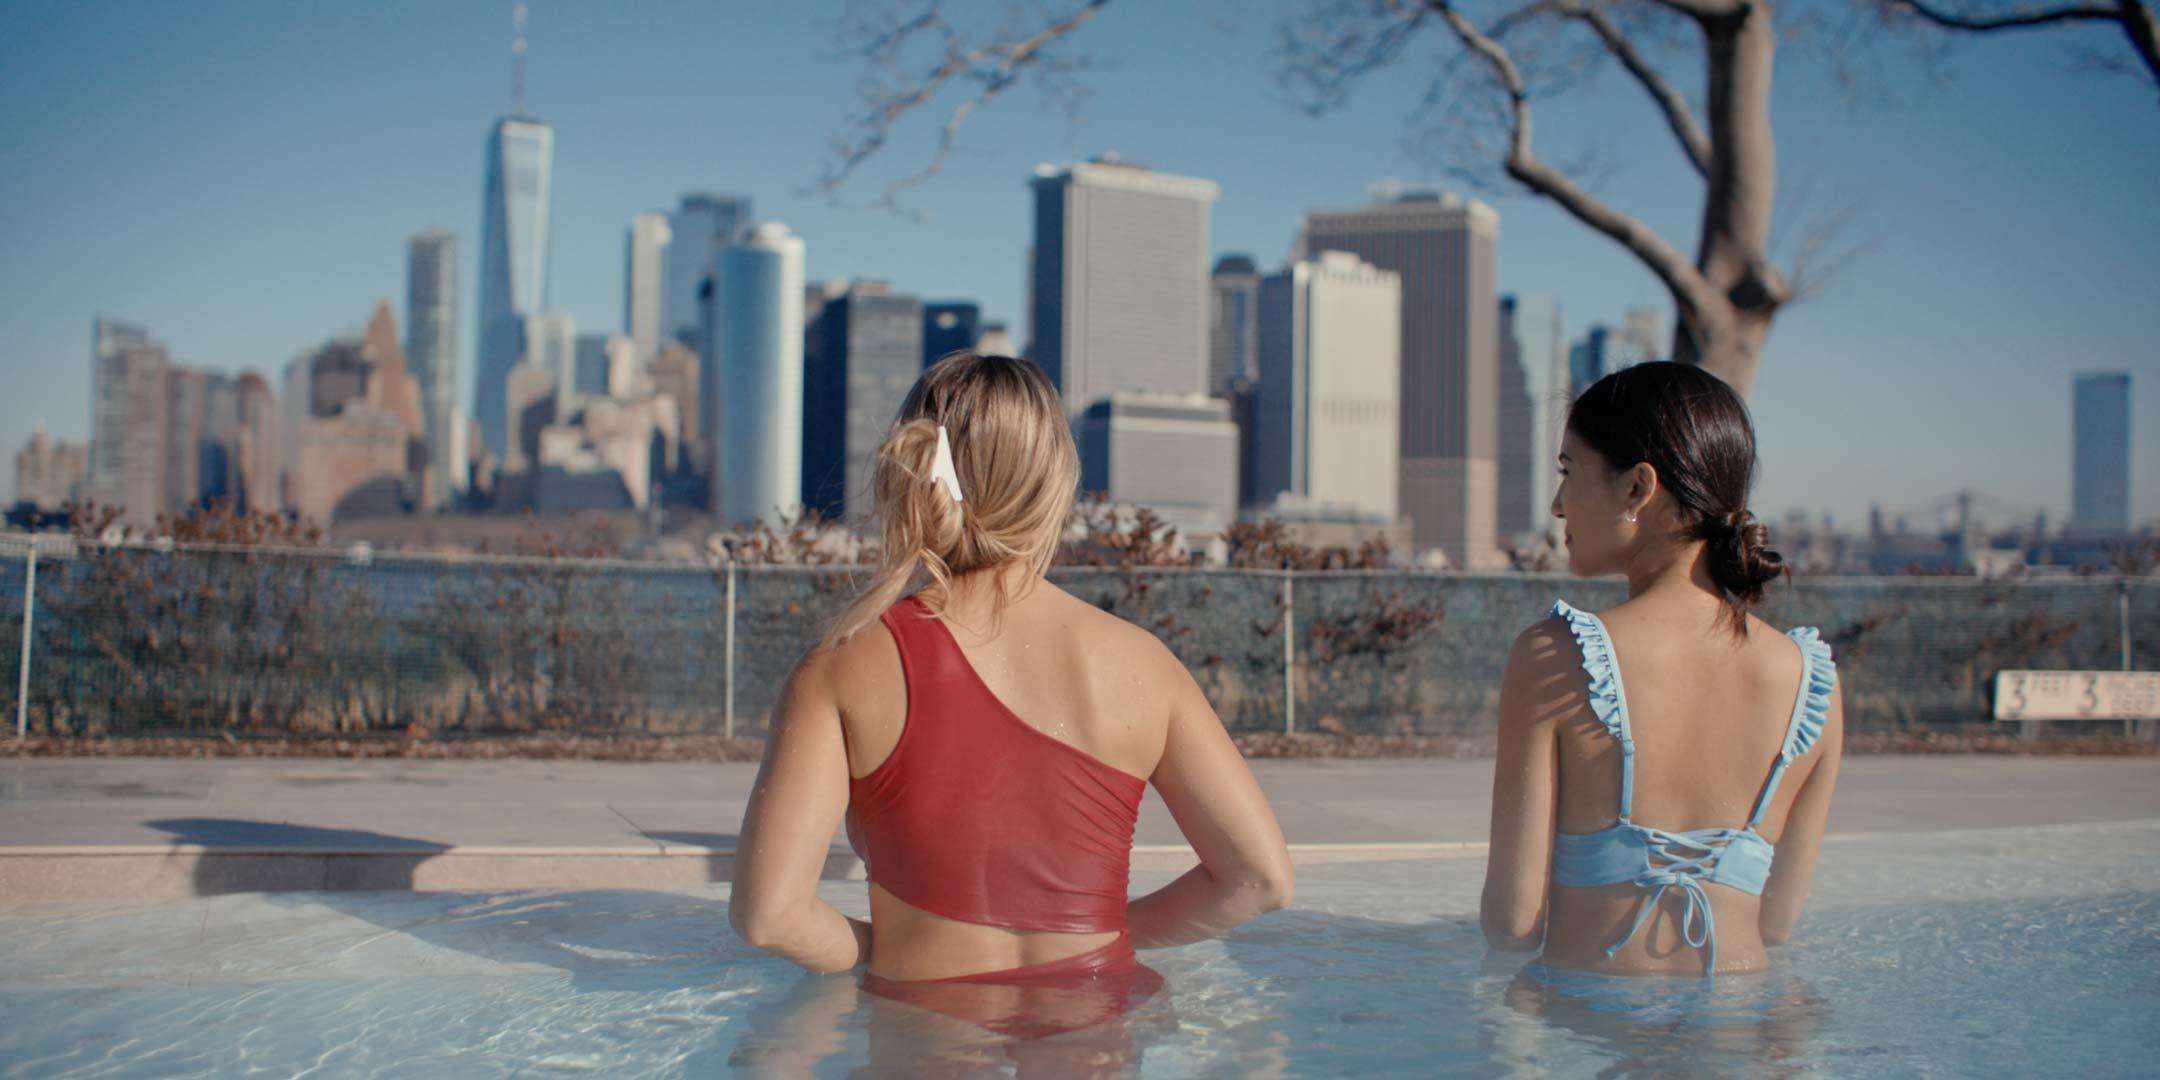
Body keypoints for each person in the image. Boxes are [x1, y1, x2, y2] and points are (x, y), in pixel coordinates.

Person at [730, 352, 1293, 1021]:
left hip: (926, 1032)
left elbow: (770, 915)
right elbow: (1259, 880)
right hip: (1095, 1022)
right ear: (1055, 484)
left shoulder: (843, 665)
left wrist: (891, 952)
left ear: (912, 471)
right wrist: (1096, 944)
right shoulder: (1145, 665)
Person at [1482, 362, 1844, 976]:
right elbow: (1776, 925)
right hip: (1742, 1030)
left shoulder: (1556, 658)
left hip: (1594, 1025)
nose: (1557, 504)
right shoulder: (1814, 684)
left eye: (1568, 472)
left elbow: (1513, 926)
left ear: (1636, 489)